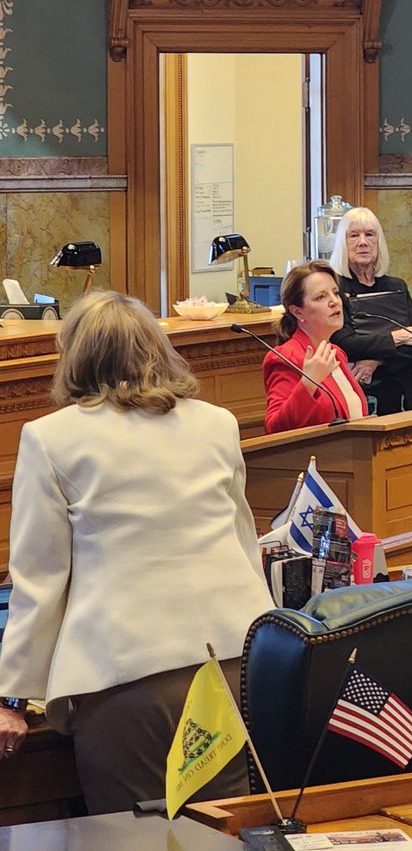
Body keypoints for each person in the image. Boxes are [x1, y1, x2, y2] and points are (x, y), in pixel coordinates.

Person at [0, 291, 272, 812]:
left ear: (74, 354)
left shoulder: (50, 438)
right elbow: (244, 544)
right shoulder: (217, 423)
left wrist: (13, 695)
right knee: (225, 829)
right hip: (234, 663)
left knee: (138, 837)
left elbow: (39, 578)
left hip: (125, 673)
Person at [329, 206, 412, 415]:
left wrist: (375, 361)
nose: (363, 242)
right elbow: (345, 343)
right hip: (361, 393)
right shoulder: (335, 288)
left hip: (403, 394)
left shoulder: (396, 286)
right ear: (342, 243)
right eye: (354, 235)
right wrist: (397, 338)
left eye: (370, 235)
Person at [264, 260, 368, 433]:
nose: (335, 301)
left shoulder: (337, 353)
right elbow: (274, 428)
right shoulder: (286, 358)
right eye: (321, 297)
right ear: (297, 312)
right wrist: (308, 382)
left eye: (335, 293)